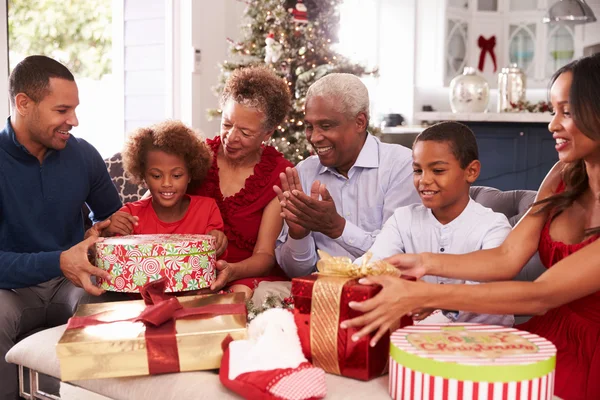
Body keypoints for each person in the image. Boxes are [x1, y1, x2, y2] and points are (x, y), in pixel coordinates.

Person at [343, 53, 600, 400]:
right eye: (553, 111)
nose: (552, 125)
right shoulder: (561, 176)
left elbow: (542, 295)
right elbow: (507, 256)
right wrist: (426, 262)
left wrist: (425, 294)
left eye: (566, 112)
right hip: (548, 338)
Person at [0, 55, 121, 400]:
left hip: (73, 282)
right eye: (62, 110)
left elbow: (112, 220)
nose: (74, 120)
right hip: (11, 289)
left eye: (75, 109)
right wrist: (59, 260)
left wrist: (107, 230)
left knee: (109, 306)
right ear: (24, 103)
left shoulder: (83, 155)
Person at [355, 121, 513, 326]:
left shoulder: (493, 226)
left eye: (437, 170)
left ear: (471, 171)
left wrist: (433, 298)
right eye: (418, 170)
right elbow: (374, 263)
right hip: (418, 340)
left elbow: (481, 293)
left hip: (485, 342)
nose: (424, 180)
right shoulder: (403, 219)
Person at [274, 73, 420, 278]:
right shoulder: (304, 173)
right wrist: (299, 235)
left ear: (360, 122)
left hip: (385, 295)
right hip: (320, 296)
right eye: (309, 126)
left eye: (326, 126)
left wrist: (337, 228)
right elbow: (295, 273)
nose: (314, 138)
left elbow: (397, 258)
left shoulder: (401, 166)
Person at [190, 65, 294, 298]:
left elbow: (265, 256)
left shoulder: (279, 174)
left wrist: (232, 271)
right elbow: (149, 205)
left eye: (246, 133)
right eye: (227, 124)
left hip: (246, 275)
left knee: (239, 299)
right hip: (190, 272)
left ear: (268, 134)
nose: (232, 137)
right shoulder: (197, 156)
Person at [104, 120, 228, 258]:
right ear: (143, 176)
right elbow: (112, 258)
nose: (167, 183)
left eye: (176, 175)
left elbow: (215, 260)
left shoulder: (207, 210)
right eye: (157, 176)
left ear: (190, 174)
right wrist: (107, 233)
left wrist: (219, 241)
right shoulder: (130, 215)